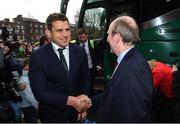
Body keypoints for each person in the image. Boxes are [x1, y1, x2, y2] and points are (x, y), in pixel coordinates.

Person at [84, 15, 153, 122]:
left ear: (116, 37)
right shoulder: (128, 60)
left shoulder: (135, 68)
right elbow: (114, 93)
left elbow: (133, 116)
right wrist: (91, 101)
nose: (107, 39)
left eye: (108, 35)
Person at [29, 13, 92, 123]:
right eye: (59, 30)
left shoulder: (79, 51)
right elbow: (40, 92)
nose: (65, 34)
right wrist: (71, 101)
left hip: (76, 113)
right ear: (48, 33)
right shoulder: (38, 56)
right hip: (52, 116)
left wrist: (84, 101)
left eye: (67, 30)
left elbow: (86, 79)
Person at [77, 28, 99, 96]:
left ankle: (90, 98)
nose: (82, 39)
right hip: (80, 69)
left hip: (90, 68)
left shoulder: (92, 43)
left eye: (83, 37)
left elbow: (96, 55)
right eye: (80, 37)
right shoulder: (75, 45)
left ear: (87, 36)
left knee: (90, 84)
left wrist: (97, 64)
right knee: (81, 85)